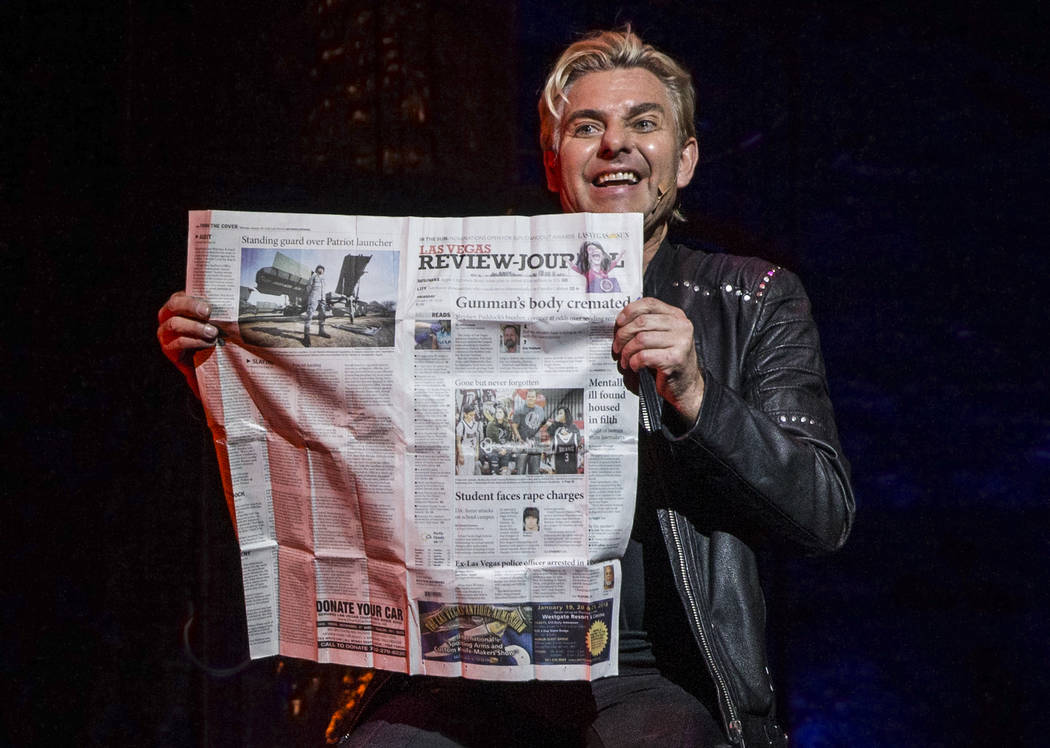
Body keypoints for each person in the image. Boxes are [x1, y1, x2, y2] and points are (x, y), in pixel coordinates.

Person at [157, 27, 854, 747]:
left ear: (685, 158)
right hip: (466, 661)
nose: (616, 143)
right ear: (554, 164)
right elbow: (346, 425)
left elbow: (823, 515)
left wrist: (698, 394)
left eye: (643, 123)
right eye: (587, 128)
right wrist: (230, 363)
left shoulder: (752, 297)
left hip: (648, 672)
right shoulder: (471, 281)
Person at [302, 265, 329, 347]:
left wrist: (324, 299)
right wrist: (310, 297)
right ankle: (306, 336)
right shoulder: (313, 276)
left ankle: (321, 331)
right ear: (317, 270)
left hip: (322, 299)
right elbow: (308, 288)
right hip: (314, 298)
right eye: (320, 269)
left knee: (322, 315)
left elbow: (324, 289)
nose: (321, 270)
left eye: (323, 269)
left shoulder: (323, 279)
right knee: (309, 316)